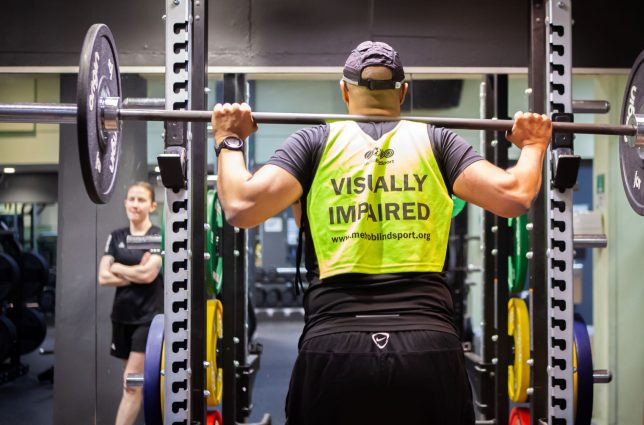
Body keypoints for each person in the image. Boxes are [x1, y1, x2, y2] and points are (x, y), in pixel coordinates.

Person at [211, 41, 551, 425]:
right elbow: (516, 196)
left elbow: (239, 206)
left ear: (344, 90)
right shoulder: (437, 141)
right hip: (428, 346)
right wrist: (535, 144)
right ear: (404, 92)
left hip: (334, 346)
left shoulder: (314, 143)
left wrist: (229, 139)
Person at [98, 181, 163, 425]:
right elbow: (103, 277)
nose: (135, 204)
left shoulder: (157, 235)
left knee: (131, 384)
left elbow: (149, 275)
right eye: (131, 199)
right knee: (135, 383)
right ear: (125, 202)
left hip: (147, 318)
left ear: (152, 205)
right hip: (121, 317)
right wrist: (135, 270)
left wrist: (117, 266)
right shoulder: (116, 236)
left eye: (141, 200)